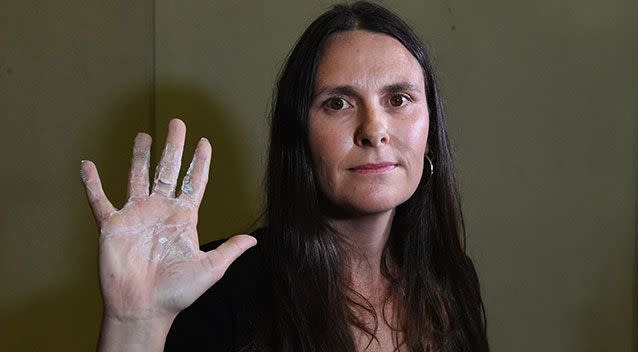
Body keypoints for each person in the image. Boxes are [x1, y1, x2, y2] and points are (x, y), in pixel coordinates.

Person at [81, 1, 489, 351]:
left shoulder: (453, 279)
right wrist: (133, 322)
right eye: (338, 103)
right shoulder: (221, 288)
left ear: (431, 133)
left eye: (398, 99)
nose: (374, 130)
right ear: (300, 136)